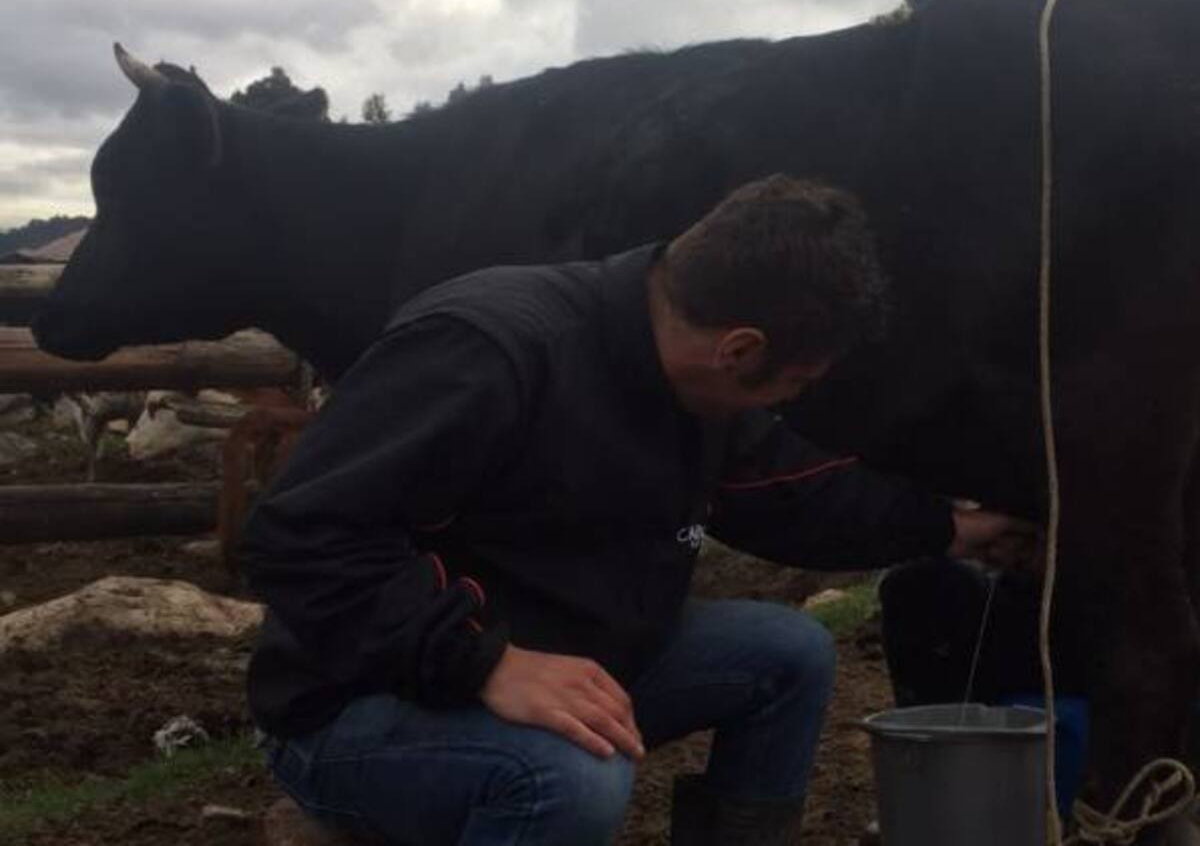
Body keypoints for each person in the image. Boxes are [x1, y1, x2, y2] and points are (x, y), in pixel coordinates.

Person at [240, 174, 1037, 846]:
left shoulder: (687, 383)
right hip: (358, 701)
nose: (796, 402)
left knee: (787, 651)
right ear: (740, 351)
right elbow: (298, 537)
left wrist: (950, 528)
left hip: (561, 651)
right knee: (571, 781)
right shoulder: (489, 349)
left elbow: (789, 492)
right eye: (798, 384)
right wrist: (483, 659)